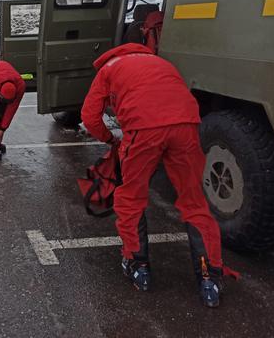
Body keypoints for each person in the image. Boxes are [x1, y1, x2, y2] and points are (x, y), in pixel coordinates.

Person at [81, 43, 224, 308]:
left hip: (143, 129)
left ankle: (138, 264)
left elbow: (89, 117)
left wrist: (110, 139)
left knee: (131, 199)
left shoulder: (109, 69)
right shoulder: (162, 63)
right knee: (194, 202)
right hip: (187, 125)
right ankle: (210, 277)